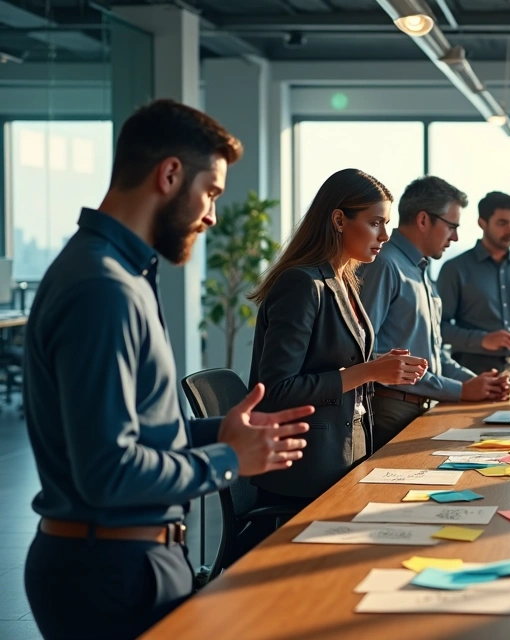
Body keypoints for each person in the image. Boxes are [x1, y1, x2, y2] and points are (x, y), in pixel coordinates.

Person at [22, 99, 313, 640]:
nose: (212, 215)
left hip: (128, 561)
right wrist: (227, 459)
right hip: (107, 573)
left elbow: (138, 433)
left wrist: (222, 433)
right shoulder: (102, 288)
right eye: (212, 193)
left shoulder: (122, 275)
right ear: (170, 174)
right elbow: (108, 471)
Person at [247, 168, 428, 502]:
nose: (385, 235)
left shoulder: (343, 280)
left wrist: (377, 365)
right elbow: (276, 391)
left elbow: (330, 361)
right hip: (307, 470)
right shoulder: (302, 284)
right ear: (339, 220)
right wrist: (368, 371)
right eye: (376, 222)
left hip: (347, 455)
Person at [359, 176, 510, 447]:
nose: (455, 236)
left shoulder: (419, 270)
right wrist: (461, 390)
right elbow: (365, 353)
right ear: (423, 220)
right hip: (392, 413)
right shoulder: (385, 265)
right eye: (451, 226)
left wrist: (478, 383)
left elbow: (433, 354)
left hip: (422, 407)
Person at [437, 191, 510, 387]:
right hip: (471, 375)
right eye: (502, 223)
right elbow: (439, 328)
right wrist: (482, 339)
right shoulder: (455, 269)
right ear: (482, 222)